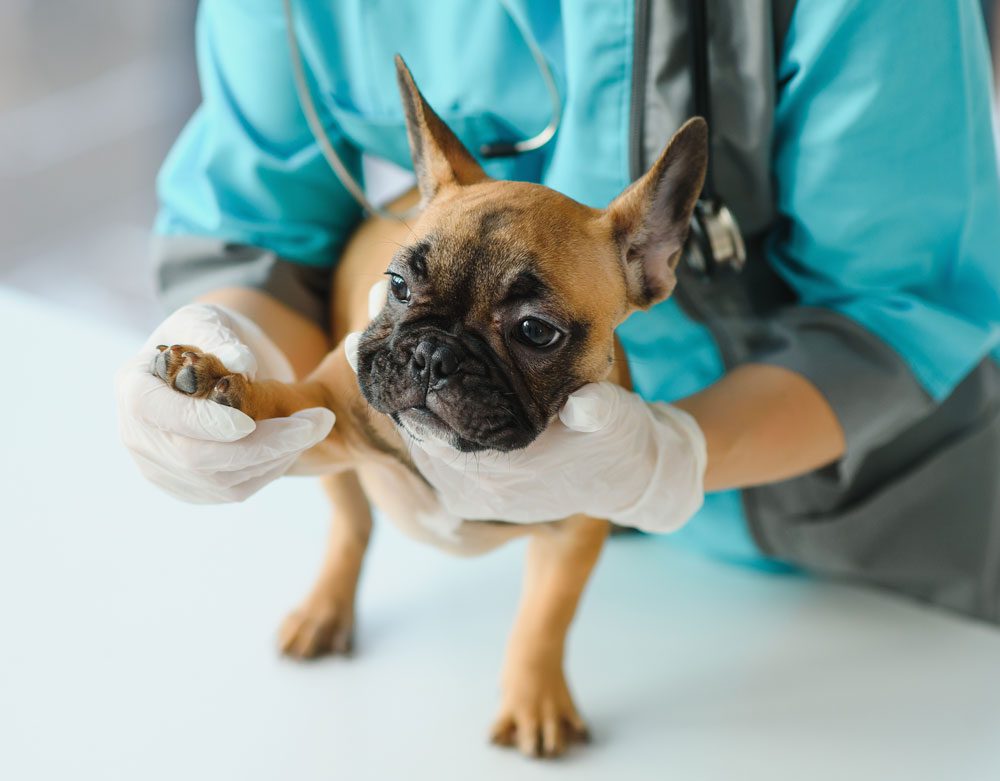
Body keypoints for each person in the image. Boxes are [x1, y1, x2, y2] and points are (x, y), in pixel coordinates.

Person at [117, 0, 1000, 622]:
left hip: (852, 523)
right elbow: (262, 224)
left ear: (655, 259)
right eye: (408, 297)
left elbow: (896, 303)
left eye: (531, 329)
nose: (431, 360)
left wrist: (669, 458)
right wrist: (220, 361)